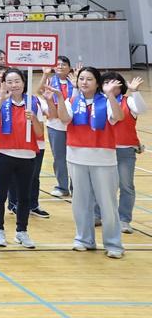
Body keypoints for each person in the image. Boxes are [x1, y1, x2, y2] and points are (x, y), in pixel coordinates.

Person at [47, 66, 124, 258]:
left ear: (97, 83)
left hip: (103, 160)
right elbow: (64, 119)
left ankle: (113, 243)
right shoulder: (72, 100)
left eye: (89, 79)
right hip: (76, 157)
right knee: (81, 202)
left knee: (107, 204)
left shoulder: (106, 101)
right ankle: (84, 239)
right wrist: (58, 99)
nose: (84, 82)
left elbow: (118, 117)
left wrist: (111, 96)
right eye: (82, 79)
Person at [0, 68, 43, 249]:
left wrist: (33, 119)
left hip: (27, 156)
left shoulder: (33, 102)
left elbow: (40, 133)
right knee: (0, 195)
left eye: (17, 81)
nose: (13, 85)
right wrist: (1, 98)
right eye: (9, 81)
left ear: (24, 83)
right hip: (4, 154)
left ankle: (21, 231)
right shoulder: (0, 101)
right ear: (4, 84)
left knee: (24, 197)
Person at [100, 73, 144, 233]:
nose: (110, 86)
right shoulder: (99, 102)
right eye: (106, 83)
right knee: (101, 185)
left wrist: (135, 91)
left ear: (121, 86)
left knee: (126, 185)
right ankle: (98, 215)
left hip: (125, 150)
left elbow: (141, 109)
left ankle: (124, 219)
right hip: (103, 148)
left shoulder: (129, 101)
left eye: (114, 83)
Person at [44, 55, 74, 198]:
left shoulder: (75, 83)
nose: (60, 66)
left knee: (74, 157)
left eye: (64, 64)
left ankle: (76, 186)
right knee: (59, 157)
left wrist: (75, 86)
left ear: (69, 68)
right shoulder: (49, 81)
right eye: (58, 64)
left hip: (73, 125)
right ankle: (62, 186)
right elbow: (39, 92)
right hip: (55, 125)